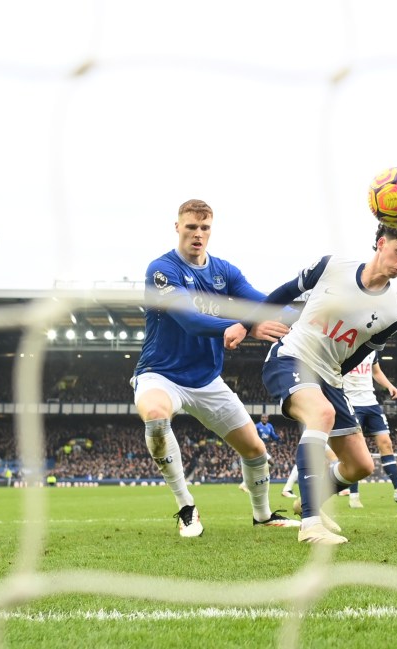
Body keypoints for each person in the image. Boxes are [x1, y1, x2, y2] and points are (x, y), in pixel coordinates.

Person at [226, 222, 397, 544]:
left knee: (360, 465)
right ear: (381, 243)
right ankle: (310, 525)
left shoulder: (395, 312)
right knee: (321, 414)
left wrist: (333, 380)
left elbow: (360, 353)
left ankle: (307, 501)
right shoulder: (332, 266)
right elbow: (283, 293)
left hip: (330, 377)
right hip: (290, 357)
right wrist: (244, 324)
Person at [132, 198, 300, 537]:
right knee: (154, 413)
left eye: (204, 228)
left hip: (207, 379)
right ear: (177, 227)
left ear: (211, 230)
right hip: (161, 374)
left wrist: (307, 314)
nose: (197, 234)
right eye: (191, 227)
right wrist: (248, 326)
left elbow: (261, 302)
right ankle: (186, 507)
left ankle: (263, 515)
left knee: (255, 450)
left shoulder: (225, 272)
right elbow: (190, 321)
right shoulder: (161, 270)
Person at [342, 350, 397, 508]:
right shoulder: (344, 347)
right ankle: (354, 496)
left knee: (386, 443)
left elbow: (376, 372)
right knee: (356, 448)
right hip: (350, 402)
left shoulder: (371, 350)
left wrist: (389, 386)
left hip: (371, 403)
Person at [238, 413, 282, 493]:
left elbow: (274, 437)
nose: (264, 418)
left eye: (266, 417)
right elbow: (251, 435)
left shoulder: (269, 426)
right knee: (271, 462)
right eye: (263, 417)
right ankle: (260, 479)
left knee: (261, 466)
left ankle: (246, 483)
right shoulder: (257, 426)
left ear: (267, 419)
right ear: (261, 418)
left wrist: (279, 436)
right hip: (257, 447)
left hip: (263, 448)